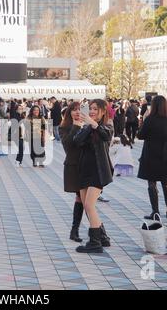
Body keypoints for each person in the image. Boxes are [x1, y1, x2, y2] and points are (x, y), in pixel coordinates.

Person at [74, 99, 113, 253]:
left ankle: (95, 243)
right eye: (90, 108)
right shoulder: (88, 126)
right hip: (84, 170)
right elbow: (77, 141)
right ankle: (102, 237)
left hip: (98, 171)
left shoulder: (106, 126)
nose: (92, 111)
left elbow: (106, 136)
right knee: (87, 206)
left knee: (89, 206)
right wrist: (87, 126)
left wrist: (94, 124)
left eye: (95, 109)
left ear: (102, 111)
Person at [137, 95, 167, 220]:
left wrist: (142, 122)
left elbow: (141, 135)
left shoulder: (150, 119)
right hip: (164, 154)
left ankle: (155, 211)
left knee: (152, 183)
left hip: (151, 154)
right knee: (165, 182)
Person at [59, 102, 84, 243]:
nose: (77, 112)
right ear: (69, 112)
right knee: (81, 198)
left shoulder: (87, 125)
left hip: (87, 165)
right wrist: (75, 126)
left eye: (79, 109)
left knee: (88, 200)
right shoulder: (64, 127)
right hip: (74, 166)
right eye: (74, 110)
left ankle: (98, 230)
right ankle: (75, 230)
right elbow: (68, 145)